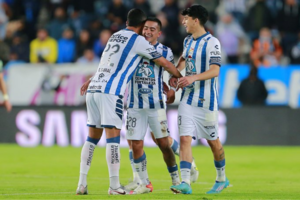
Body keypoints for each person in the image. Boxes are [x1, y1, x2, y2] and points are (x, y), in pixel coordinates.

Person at [76, 8, 182, 195]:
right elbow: (164, 63)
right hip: (111, 91)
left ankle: (82, 184)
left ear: (126, 23)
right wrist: (179, 77)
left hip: (94, 88)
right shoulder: (138, 40)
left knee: (91, 138)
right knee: (113, 139)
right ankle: (114, 186)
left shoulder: (114, 36)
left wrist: (92, 79)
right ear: (141, 26)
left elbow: (107, 62)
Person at [124, 17, 199, 194]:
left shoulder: (165, 51)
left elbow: (167, 73)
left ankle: (175, 178)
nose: (148, 32)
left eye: (152, 29)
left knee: (163, 144)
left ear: (159, 33)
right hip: (134, 104)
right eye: (145, 29)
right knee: (135, 144)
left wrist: (172, 87)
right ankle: (144, 182)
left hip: (156, 105)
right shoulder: (133, 48)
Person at [169, 5, 230, 194]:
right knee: (185, 138)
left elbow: (215, 70)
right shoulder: (188, 41)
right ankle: (185, 182)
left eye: (186, 18)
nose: (183, 21)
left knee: (213, 142)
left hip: (207, 102)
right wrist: (175, 74)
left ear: (196, 20)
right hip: (188, 98)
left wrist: (192, 77)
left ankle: (221, 178)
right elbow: (183, 60)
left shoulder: (213, 43)